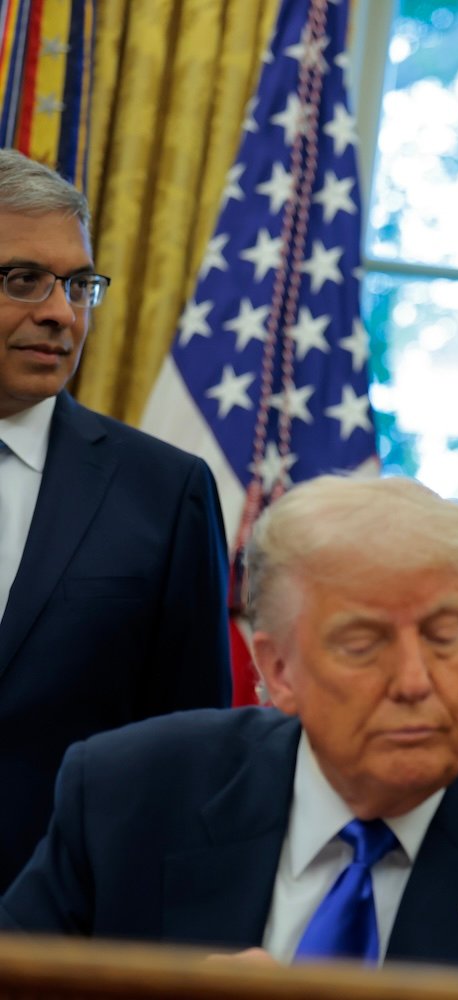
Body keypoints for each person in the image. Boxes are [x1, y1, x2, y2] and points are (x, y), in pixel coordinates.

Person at [0, 475, 458, 984]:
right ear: (278, 668)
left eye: (445, 635)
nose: (415, 680)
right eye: (363, 643)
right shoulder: (130, 793)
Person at [0, 148, 231, 890]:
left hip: (60, 931)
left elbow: (192, 757)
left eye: (78, 285)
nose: (62, 313)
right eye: (24, 280)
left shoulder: (164, 493)